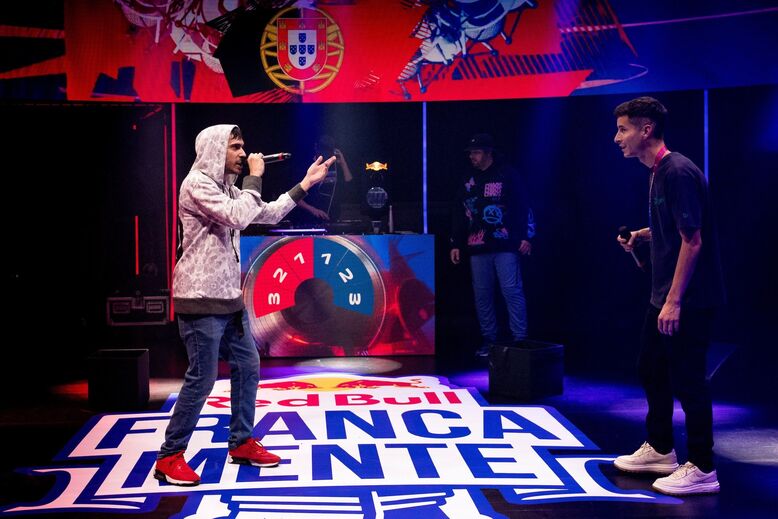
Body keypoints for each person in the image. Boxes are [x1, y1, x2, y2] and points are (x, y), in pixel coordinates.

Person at [155, 124, 335, 486]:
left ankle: (241, 442)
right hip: (201, 297)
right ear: (214, 149)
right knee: (202, 378)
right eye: (235, 147)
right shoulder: (196, 185)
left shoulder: (230, 190)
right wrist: (255, 177)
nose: (242, 153)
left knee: (248, 366)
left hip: (228, 298)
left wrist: (305, 184)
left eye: (243, 147)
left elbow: (266, 213)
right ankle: (170, 455)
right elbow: (238, 216)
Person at [613, 97, 725, 495]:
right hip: (661, 295)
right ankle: (661, 448)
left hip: (688, 299)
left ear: (646, 130)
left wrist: (675, 301)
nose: (617, 138)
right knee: (651, 367)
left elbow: (693, 241)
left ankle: (703, 467)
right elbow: (674, 225)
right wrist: (642, 235)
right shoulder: (657, 171)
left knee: (688, 380)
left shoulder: (677, 171)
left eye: (623, 129)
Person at [450, 133, 532, 357]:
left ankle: (520, 339)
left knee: (512, 291)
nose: (472, 157)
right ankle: (489, 339)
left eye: (476, 152)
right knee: (482, 295)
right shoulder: (468, 179)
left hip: (506, 244)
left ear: (489, 153)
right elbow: (459, 211)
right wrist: (456, 242)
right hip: (477, 245)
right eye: (470, 153)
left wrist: (526, 236)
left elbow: (523, 205)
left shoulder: (507, 174)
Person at [295, 134, 355, 223]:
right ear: (316, 148)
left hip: (332, 219)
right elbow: (295, 197)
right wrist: (313, 210)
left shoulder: (334, 166)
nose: (325, 154)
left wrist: (343, 163)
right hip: (310, 219)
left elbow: (349, 185)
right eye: (323, 150)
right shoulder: (307, 166)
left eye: (328, 151)